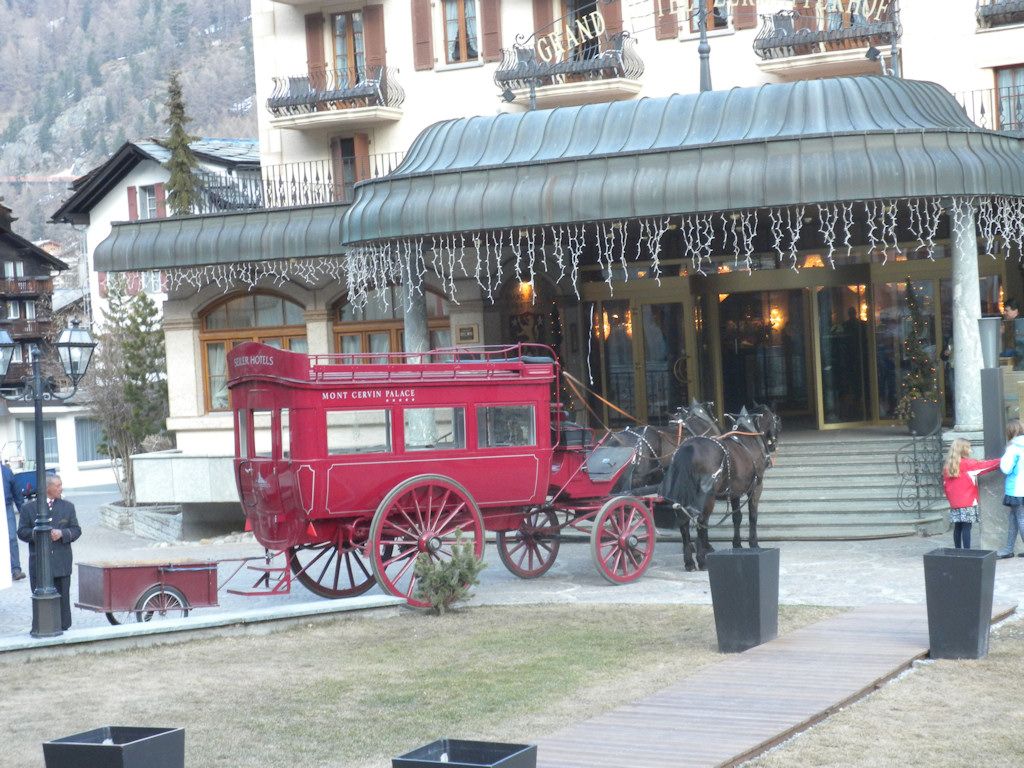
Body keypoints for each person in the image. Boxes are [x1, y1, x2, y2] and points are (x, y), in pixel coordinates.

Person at [17, 475, 80, 630]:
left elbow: (76, 530)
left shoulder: (68, 507)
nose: (61, 488)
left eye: (61, 485)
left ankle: (63, 627)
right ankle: (42, 627)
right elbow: (21, 532)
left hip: (61, 561)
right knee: (40, 598)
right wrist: (38, 534)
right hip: (39, 563)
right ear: (47, 488)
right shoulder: (29, 508)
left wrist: (62, 534)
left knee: (63, 598)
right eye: (58, 485)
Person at [942, 438, 1000, 550]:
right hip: (968, 501)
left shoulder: (948, 466)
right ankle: (967, 551)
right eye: (968, 447)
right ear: (963, 450)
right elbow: (987, 465)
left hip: (955, 503)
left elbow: (945, 486)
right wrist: (1003, 460)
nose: (970, 450)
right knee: (967, 528)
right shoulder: (968, 464)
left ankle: (957, 550)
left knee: (957, 527)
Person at [998, 419, 1024, 559]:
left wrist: (1005, 455)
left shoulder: (1013, 448)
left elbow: (1006, 468)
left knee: (1020, 518)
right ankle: (1008, 549)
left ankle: (1008, 549)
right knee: (1014, 518)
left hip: (1016, 489)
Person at [4, 461, 25, 580]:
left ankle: (16, 569)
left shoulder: (7, 472)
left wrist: (23, 511)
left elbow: (17, 493)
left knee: (11, 538)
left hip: (6, 507)